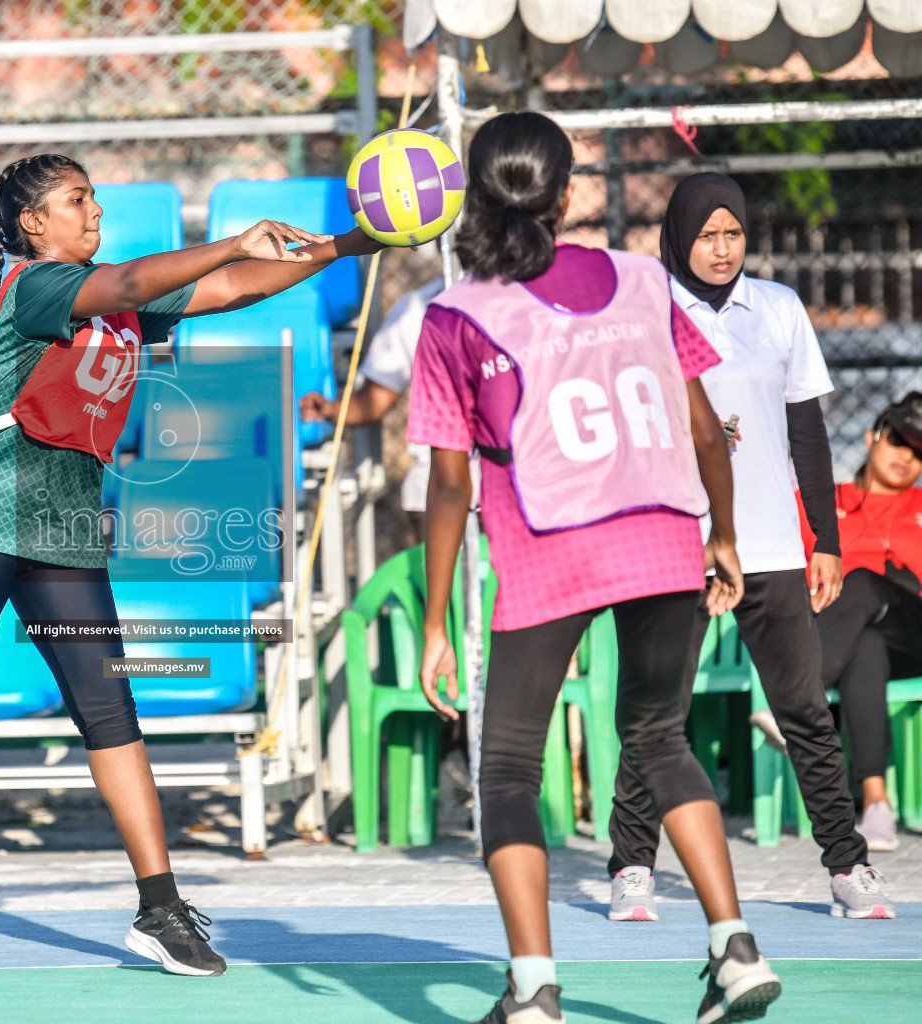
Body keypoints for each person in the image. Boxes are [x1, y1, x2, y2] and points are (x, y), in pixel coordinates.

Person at [0, 153, 385, 972]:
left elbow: (238, 287)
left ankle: (160, 905)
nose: (95, 211)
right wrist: (228, 239)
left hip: (64, 525)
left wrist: (358, 240)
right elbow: (139, 284)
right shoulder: (36, 286)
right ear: (35, 224)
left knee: (111, 714)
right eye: (78, 200)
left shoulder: (115, 304)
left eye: (96, 198)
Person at [410, 112, 780, 1024]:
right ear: (565, 193)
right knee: (660, 740)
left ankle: (534, 990)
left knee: (505, 772)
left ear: (472, 195)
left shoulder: (456, 316)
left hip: (550, 547)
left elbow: (449, 486)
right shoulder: (644, 279)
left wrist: (434, 620)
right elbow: (703, 425)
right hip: (662, 536)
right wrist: (722, 535)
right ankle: (734, 946)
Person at [605, 172, 894, 924]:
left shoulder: (778, 308)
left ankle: (847, 866)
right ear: (679, 236)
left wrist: (824, 540)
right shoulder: (644, 312)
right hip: (678, 546)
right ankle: (632, 865)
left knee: (801, 706)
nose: (722, 248)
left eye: (733, 233)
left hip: (770, 546)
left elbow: (806, 432)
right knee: (657, 710)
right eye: (707, 234)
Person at [801, 392, 922, 853]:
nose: (906, 456)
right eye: (897, 441)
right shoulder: (819, 502)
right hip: (845, 638)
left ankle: (795, 706)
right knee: (865, 642)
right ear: (872, 437)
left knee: (867, 583)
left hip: (916, 631)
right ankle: (875, 803)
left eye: (919, 450)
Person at [299, 278, 445, 540]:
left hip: (518, 489)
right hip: (436, 487)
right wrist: (330, 409)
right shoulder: (417, 308)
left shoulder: (531, 296)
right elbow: (375, 400)